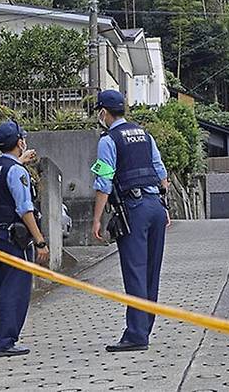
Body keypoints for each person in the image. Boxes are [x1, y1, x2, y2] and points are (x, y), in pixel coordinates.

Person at [91, 90, 170, 353]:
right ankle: (143, 328)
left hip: (134, 208)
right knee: (151, 272)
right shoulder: (145, 135)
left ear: (104, 112)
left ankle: (136, 335)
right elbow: (160, 172)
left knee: (135, 271)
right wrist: (165, 206)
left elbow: (104, 182)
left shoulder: (108, 140)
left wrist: (97, 219)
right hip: (155, 206)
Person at [0, 120, 50, 358]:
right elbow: (25, 209)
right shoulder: (17, 171)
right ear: (20, 143)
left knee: (0, 289)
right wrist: (39, 241)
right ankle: (5, 341)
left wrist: (19, 162)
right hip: (14, 239)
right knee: (14, 291)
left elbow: (6, 179)